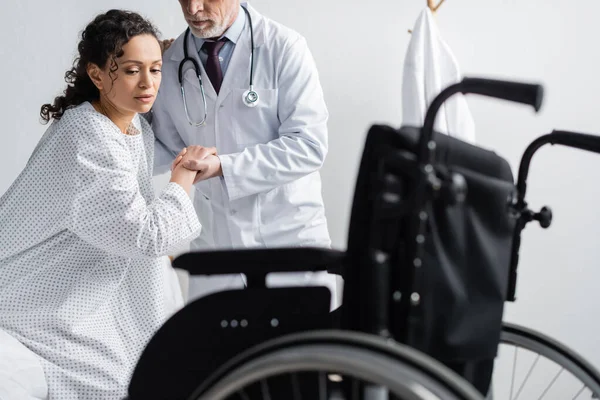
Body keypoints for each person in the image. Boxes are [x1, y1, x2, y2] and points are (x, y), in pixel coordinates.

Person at [0, 10, 205, 398]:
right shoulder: (87, 135)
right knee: (110, 383)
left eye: (156, 69)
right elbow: (145, 234)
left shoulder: (132, 126)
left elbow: (125, 221)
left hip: (77, 294)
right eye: (131, 70)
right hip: (29, 296)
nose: (148, 83)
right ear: (97, 75)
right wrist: (183, 178)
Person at [151, 0, 338, 305]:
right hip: (216, 247)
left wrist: (224, 166)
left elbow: (309, 145)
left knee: (299, 350)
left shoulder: (283, 47)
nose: (194, 9)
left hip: (287, 239)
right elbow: (168, 148)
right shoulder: (170, 62)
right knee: (220, 351)